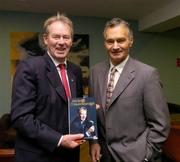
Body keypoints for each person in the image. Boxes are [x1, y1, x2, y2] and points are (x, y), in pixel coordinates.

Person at [89, 17, 170, 162]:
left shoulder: (148, 75)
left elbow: (160, 124)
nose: (115, 46)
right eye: (110, 41)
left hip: (135, 157)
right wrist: (94, 142)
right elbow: (92, 113)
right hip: (103, 155)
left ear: (131, 41)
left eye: (120, 40)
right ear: (104, 43)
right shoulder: (95, 72)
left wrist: (146, 156)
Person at [11, 13, 84, 162]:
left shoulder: (75, 71)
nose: (61, 42)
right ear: (46, 39)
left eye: (66, 37)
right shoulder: (29, 67)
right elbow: (21, 118)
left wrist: (86, 111)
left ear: (71, 41)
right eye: (56, 37)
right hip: (37, 156)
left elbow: (74, 109)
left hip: (69, 156)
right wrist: (59, 139)